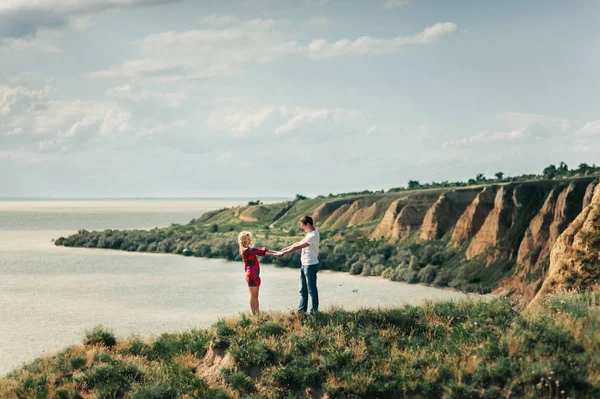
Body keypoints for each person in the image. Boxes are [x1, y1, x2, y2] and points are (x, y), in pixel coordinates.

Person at [277, 216, 320, 314]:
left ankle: (314, 312)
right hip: (304, 264)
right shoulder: (309, 234)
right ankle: (301, 311)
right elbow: (298, 243)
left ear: (308, 224)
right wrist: (285, 248)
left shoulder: (314, 235)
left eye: (302, 225)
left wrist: (284, 253)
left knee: (311, 289)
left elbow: (298, 247)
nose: (302, 227)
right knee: (303, 289)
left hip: (311, 265)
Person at [238, 231, 279, 315]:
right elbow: (259, 251)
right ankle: (254, 315)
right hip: (251, 275)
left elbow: (260, 251)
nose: (250, 240)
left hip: (255, 275)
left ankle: (258, 314)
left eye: (249, 239)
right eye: (248, 239)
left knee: (256, 295)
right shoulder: (245, 250)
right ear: (243, 240)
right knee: (253, 296)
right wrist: (274, 253)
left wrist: (275, 252)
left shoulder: (249, 248)